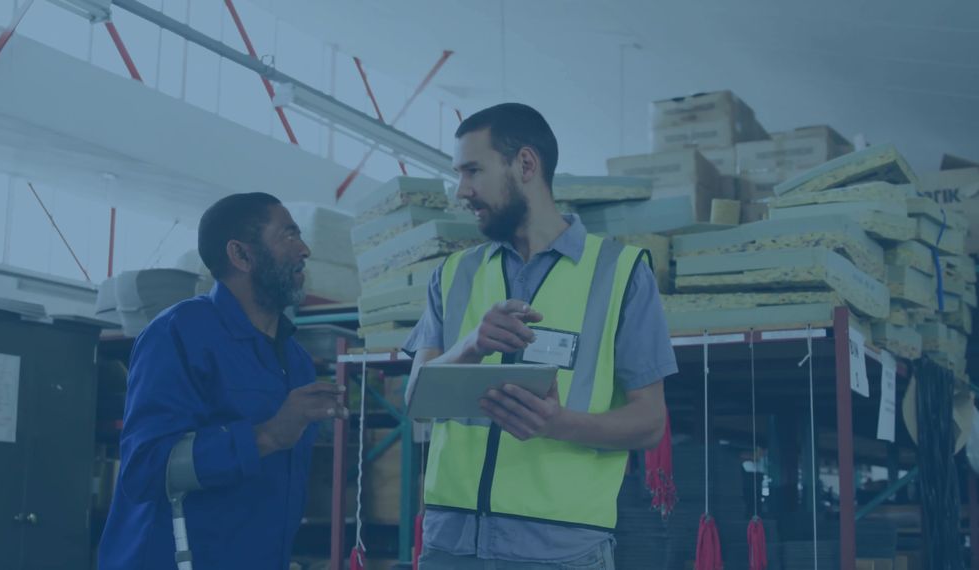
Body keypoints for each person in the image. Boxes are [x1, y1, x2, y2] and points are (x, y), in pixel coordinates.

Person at [403, 103, 678, 569]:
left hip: (559, 549)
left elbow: (650, 422)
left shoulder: (621, 273)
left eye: (472, 171)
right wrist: (471, 345)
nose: (461, 191)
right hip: (450, 544)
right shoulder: (452, 276)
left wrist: (556, 423)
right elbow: (416, 401)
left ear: (525, 165)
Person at [98, 193, 349, 570]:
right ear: (241, 255)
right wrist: (266, 436)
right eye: (288, 236)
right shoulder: (177, 335)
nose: (305, 249)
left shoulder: (296, 361)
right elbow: (144, 469)